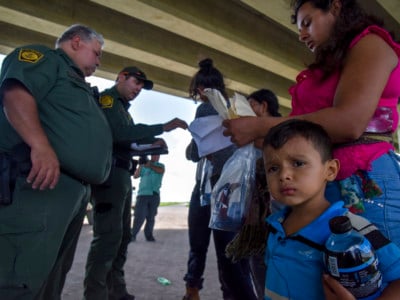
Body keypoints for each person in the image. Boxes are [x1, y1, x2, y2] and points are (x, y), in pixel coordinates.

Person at [222, 0, 400, 247]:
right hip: (322, 186)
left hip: (363, 184)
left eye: (307, 23)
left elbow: (349, 122)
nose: (302, 35)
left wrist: (259, 126)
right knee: (326, 278)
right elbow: (302, 139)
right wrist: (255, 136)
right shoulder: (332, 66)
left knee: (371, 274)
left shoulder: (371, 45)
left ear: (336, 7)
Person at [0, 24, 113, 300]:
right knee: (18, 279)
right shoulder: (46, 59)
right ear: (76, 42)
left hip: (71, 193)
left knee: (50, 280)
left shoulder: (81, 86)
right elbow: (15, 94)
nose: (99, 62)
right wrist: (40, 145)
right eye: (96, 54)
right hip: (39, 185)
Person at [263, 119, 400, 300]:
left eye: (298, 163)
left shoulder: (353, 231)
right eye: (273, 168)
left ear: (330, 170)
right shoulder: (275, 224)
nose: (284, 175)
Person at [83, 66, 187, 300]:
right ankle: (95, 295)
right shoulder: (109, 99)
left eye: (142, 85)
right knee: (107, 238)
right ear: (121, 77)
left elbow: (127, 134)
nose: (139, 88)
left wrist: (151, 142)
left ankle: (116, 291)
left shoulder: (123, 109)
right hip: (109, 177)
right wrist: (163, 127)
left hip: (122, 176)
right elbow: (120, 133)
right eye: (136, 82)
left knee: (121, 237)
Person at [182, 58, 257, 300]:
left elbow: (194, 153)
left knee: (199, 244)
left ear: (202, 89)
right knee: (231, 252)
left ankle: (192, 291)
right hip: (233, 188)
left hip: (210, 186)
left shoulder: (205, 108)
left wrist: (193, 142)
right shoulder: (235, 109)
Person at [225, 88, 281, 300]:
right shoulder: (247, 137)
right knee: (258, 266)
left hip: (277, 217)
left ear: (263, 106)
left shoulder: (286, 130)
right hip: (255, 218)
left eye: (249, 105)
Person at [131, 154, 165, 241]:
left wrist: (149, 164)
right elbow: (135, 176)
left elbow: (160, 171)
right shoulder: (143, 166)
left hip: (154, 194)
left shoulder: (161, 166)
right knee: (139, 216)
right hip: (143, 194)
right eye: (154, 155)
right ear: (151, 156)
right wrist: (140, 165)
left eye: (157, 156)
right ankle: (132, 235)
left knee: (151, 217)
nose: (156, 157)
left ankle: (149, 236)